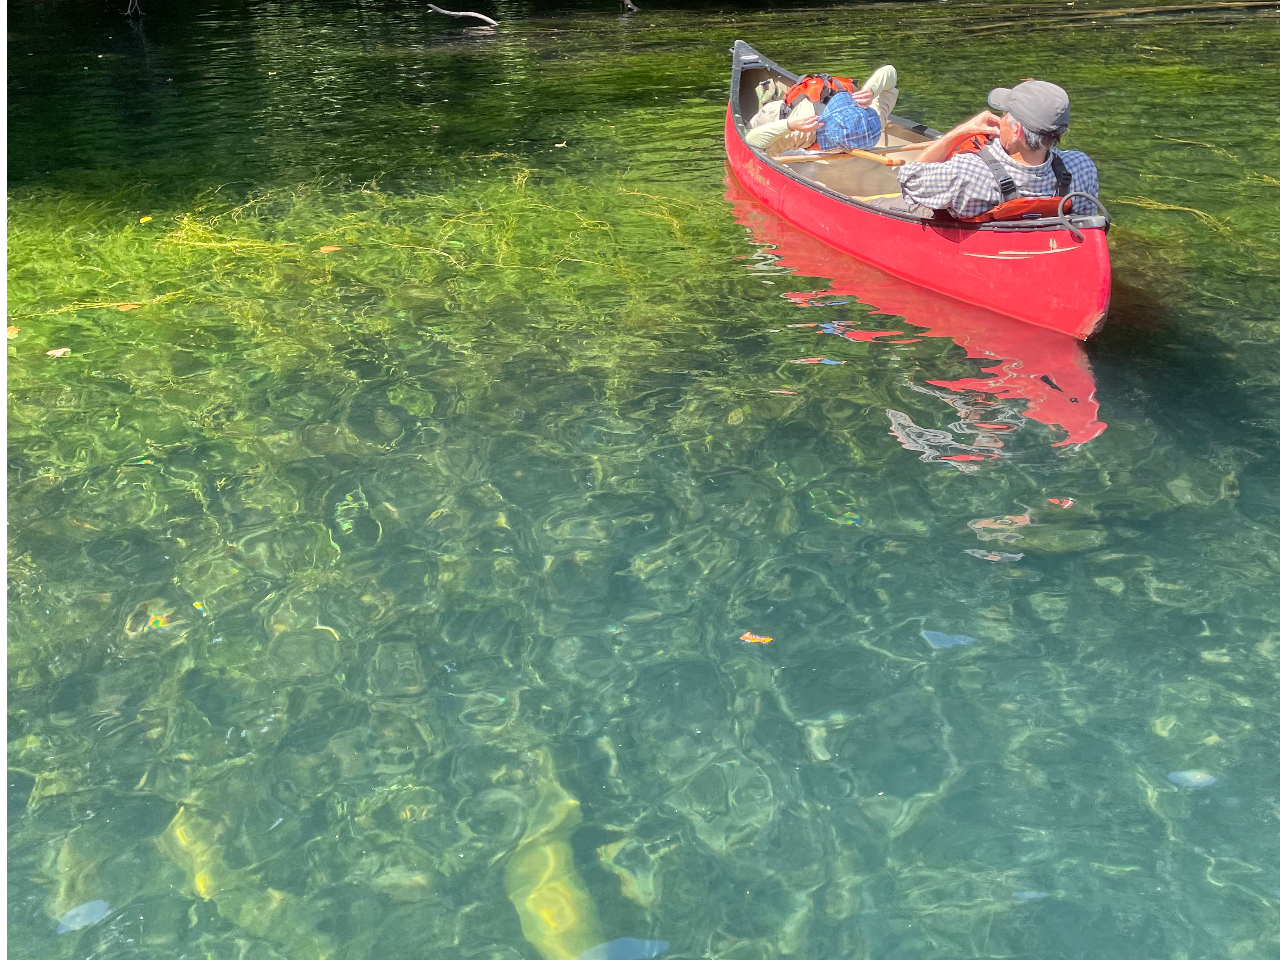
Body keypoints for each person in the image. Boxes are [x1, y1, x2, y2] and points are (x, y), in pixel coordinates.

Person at [875, 79, 1098, 218]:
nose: (1002, 119)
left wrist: (960, 131)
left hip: (977, 251)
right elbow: (1084, 220)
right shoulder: (1080, 167)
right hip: (1037, 248)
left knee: (878, 204)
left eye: (1004, 114)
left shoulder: (967, 172)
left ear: (1017, 130)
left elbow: (908, 178)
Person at [745, 66, 899, 157]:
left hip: (825, 107)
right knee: (756, 132)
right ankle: (769, 95)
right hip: (777, 115)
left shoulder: (874, 120)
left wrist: (871, 90)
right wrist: (789, 125)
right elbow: (752, 142)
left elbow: (890, 72)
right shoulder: (808, 130)